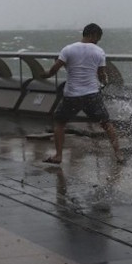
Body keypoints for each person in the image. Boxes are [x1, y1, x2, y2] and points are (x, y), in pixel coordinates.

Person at [40, 23, 123, 164]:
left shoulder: (68, 49)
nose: (97, 41)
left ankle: (58, 156)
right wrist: (105, 81)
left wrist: (42, 75)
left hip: (72, 95)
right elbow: (102, 75)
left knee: (60, 122)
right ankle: (118, 154)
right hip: (92, 94)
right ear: (93, 35)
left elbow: (53, 70)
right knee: (106, 124)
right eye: (98, 38)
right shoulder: (99, 51)